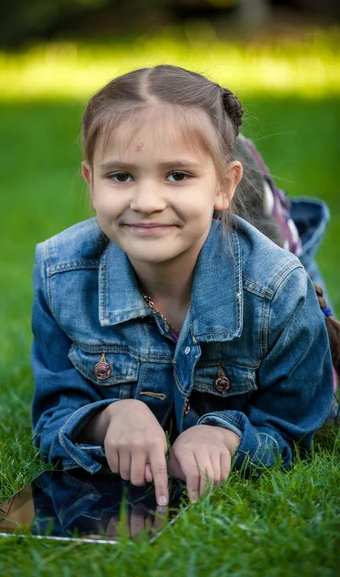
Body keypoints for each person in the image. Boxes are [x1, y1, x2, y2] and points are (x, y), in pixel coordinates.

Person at [31, 65, 336, 509]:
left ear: (224, 184)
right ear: (90, 182)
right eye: (121, 176)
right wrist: (110, 417)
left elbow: (299, 426)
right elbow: (54, 412)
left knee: (287, 262)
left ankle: (274, 215)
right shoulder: (61, 274)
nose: (147, 202)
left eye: (177, 175)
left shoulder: (277, 291)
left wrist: (227, 436)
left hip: (254, 271)